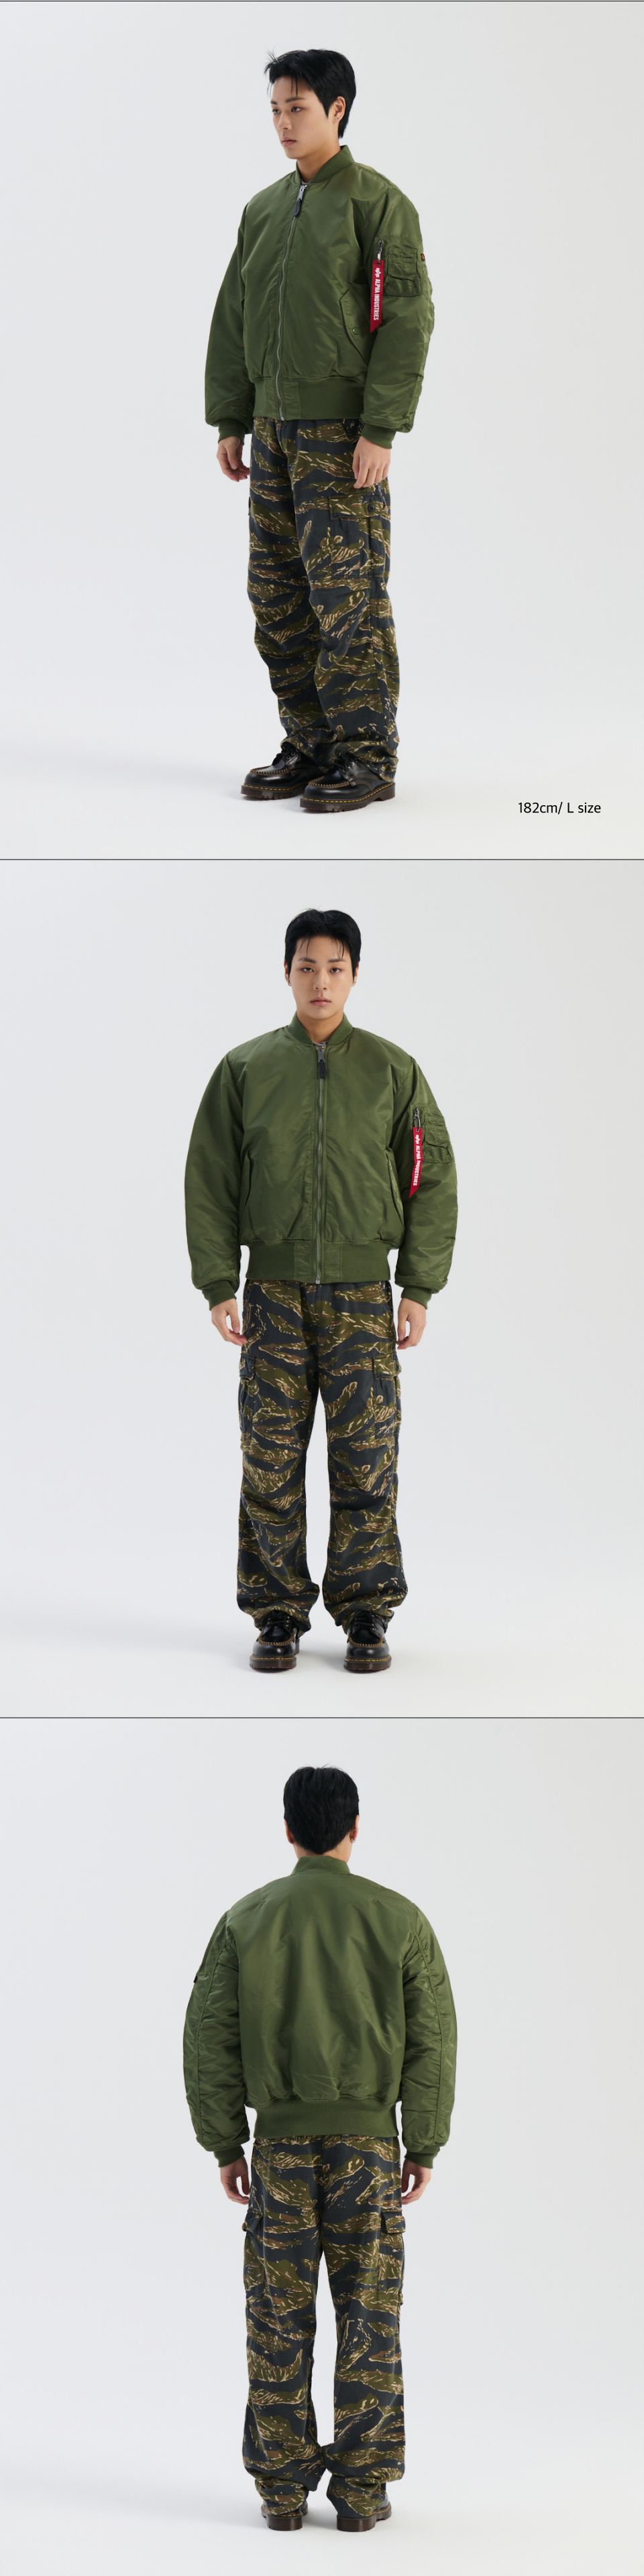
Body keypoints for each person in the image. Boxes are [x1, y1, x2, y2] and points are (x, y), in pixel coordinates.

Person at [183, 1763, 458, 2532]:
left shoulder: (247, 1917)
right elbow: (433, 2038)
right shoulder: (400, 1918)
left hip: (279, 2148)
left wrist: (225, 2141)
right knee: (370, 2315)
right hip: (369, 2148)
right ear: (355, 1828)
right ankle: (363, 2491)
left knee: (278, 2316)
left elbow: (208, 2036)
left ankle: (280, 2491)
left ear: (288, 1830)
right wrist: (423, 2139)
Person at [184, 906, 458, 1674]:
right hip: (271, 1293)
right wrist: (218, 1281)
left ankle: (367, 1611)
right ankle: (276, 1612)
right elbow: (210, 1177)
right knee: (269, 1459)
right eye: (307, 965)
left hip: (363, 1296)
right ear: (286, 971)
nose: (321, 981)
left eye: (336, 967)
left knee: (367, 1457)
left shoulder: (393, 1070)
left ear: (355, 975)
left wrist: (418, 1285)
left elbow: (429, 1176)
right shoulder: (246, 1068)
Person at [207, 46, 435, 814]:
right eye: (276, 109)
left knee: (347, 595)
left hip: (341, 433)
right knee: (277, 594)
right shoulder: (264, 209)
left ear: (337, 110)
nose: (283, 123)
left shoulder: (377, 204)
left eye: (297, 108)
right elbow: (234, 314)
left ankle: (367, 756)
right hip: (272, 429)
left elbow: (405, 317)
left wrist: (382, 427)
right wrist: (233, 416)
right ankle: (310, 743)